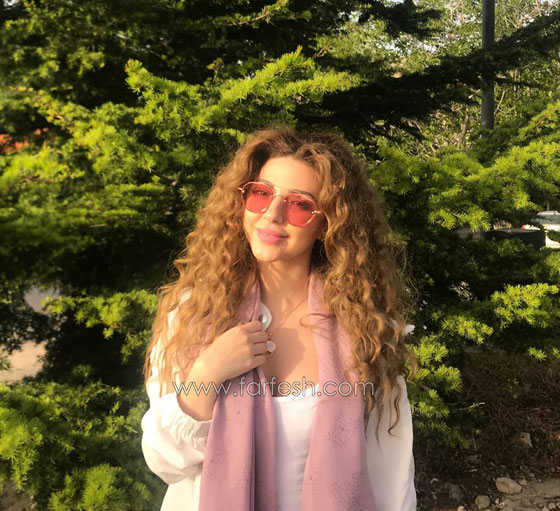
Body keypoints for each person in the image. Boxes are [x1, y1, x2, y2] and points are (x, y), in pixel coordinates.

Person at [141, 126, 418, 511]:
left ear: (327, 224)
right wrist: (207, 372)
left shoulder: (363, 330)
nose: (272, 214)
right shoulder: (194, 314)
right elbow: (164, 461)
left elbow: (392, 474)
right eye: (261, 193)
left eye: (300, 204)